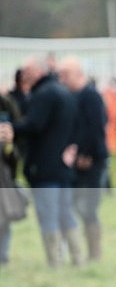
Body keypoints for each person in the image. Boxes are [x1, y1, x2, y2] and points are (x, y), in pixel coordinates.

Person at [3, 56, 81, 267]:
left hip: (45, 166)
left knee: (48, 214)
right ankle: (77, 257)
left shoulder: (43, 94)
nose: (24, 73)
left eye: (27, 69)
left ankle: (55, 261)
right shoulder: (63, 92)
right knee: (65, 212)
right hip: (63, 165)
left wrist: (12, 129)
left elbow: (34, 124)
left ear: (38, 71)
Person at [58, 56, 109, 261]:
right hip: (74, 163)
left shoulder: (91, 96)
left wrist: (85, 154)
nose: (61, 79)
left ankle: (94, 253)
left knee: (88, 209)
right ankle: (73, 252)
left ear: (78, 74)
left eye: (65, 75)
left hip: (92, 162)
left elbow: (96, 128)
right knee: (71, 208)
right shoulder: (69, 96)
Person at [0, 93, 24, 266]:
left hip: (4, 179)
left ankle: (3, 258)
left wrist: (9, 143)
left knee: (4, 220)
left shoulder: (6, 104)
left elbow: (11, 156)